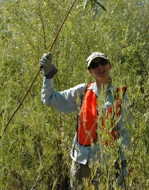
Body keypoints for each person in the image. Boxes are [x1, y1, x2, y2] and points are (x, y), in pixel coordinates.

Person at [40, 51, 130, 189]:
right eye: (94, 65)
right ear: (90, 71)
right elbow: (50, 99)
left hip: (107, 164)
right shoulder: (82, 92)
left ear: (110, 65)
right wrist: (48, 75)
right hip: (81, 162)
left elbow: (125, 133)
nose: (100, 67)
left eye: (103, 63)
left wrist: (124, 164)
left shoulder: (120, 96)